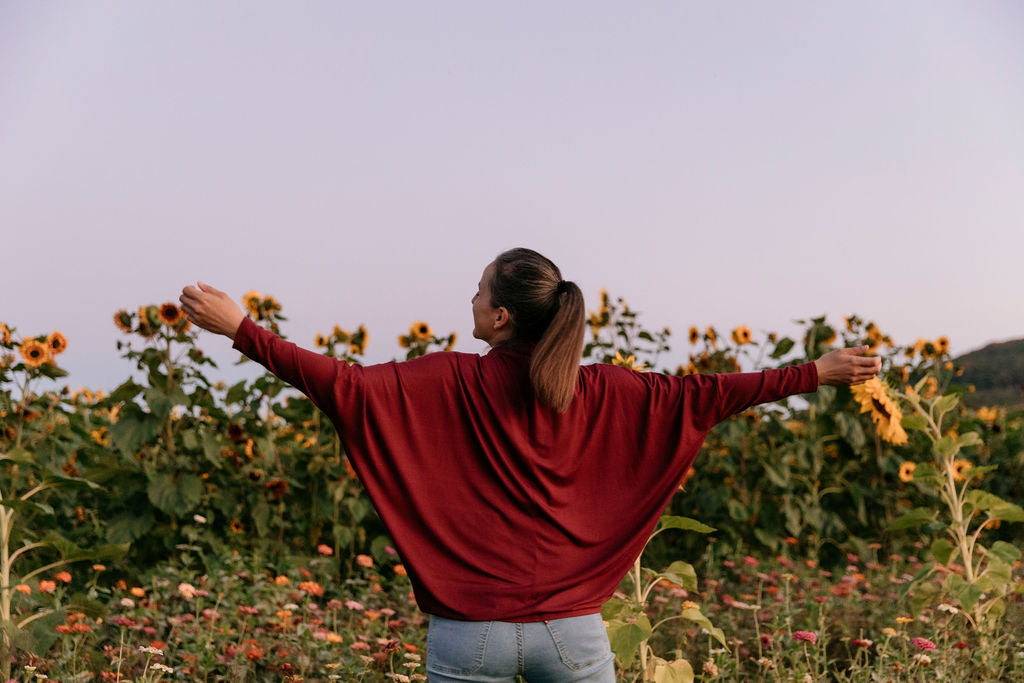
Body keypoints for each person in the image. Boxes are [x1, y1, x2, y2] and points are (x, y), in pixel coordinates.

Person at [179, 248, 880, 682]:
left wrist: (244, 329)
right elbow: (708, 395)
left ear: (503, 317)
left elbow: (340, 383)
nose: (471, 300)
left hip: (467, 636)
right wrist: (812, 372)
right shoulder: (605, 388)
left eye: (479, 290)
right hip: (572, 636)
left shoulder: (447, 379)